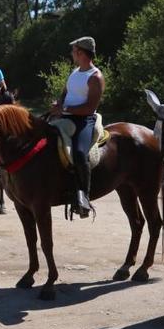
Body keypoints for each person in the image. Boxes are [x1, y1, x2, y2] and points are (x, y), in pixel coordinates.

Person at [48, 37, 104, 219]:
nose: (72, 54)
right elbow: (65, 93)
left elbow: (89, 107)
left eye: (73, 51)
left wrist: (63, 108)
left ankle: (84, 197)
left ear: (80, 52)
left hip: (84, 120)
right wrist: (59, 103)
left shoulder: (95, 77)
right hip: (64, 116)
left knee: (79, 153)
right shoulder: (75, 72)